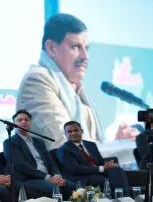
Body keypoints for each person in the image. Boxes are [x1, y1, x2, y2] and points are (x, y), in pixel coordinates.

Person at [15, 13, 139, 150]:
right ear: (51, 48)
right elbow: (65, 148)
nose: (85, 56)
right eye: (75, 47)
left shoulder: (73, 86)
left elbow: (88, 147)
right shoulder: (37, 81)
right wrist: (116, 147)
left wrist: (118, 143)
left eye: (86, 48)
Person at [3, 109, 76, 200]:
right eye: (20, 120)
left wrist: (57, 175)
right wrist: (47, 178)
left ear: (30, 123)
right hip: (28, 178)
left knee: (75, 188)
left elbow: (51, 162)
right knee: (54, 189)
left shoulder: (38, 141)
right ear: (14, 123)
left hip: (47, 176)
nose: (23, 122)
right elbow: (21, 165)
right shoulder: (10, 142)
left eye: (26, 120)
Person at [57, 121, 129, 195]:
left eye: (76, 130)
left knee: (117, 171)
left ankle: (123, 197)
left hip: (95, 172)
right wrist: (102, 168)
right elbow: (76, 169)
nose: (73, 133)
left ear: (81, 131)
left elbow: (100, 161)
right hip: (80, 177)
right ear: (65, 134)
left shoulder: (91, 144)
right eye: (69, 131)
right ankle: (116, 197)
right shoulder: (64, 150)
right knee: (103, 180)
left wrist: (108, 165)